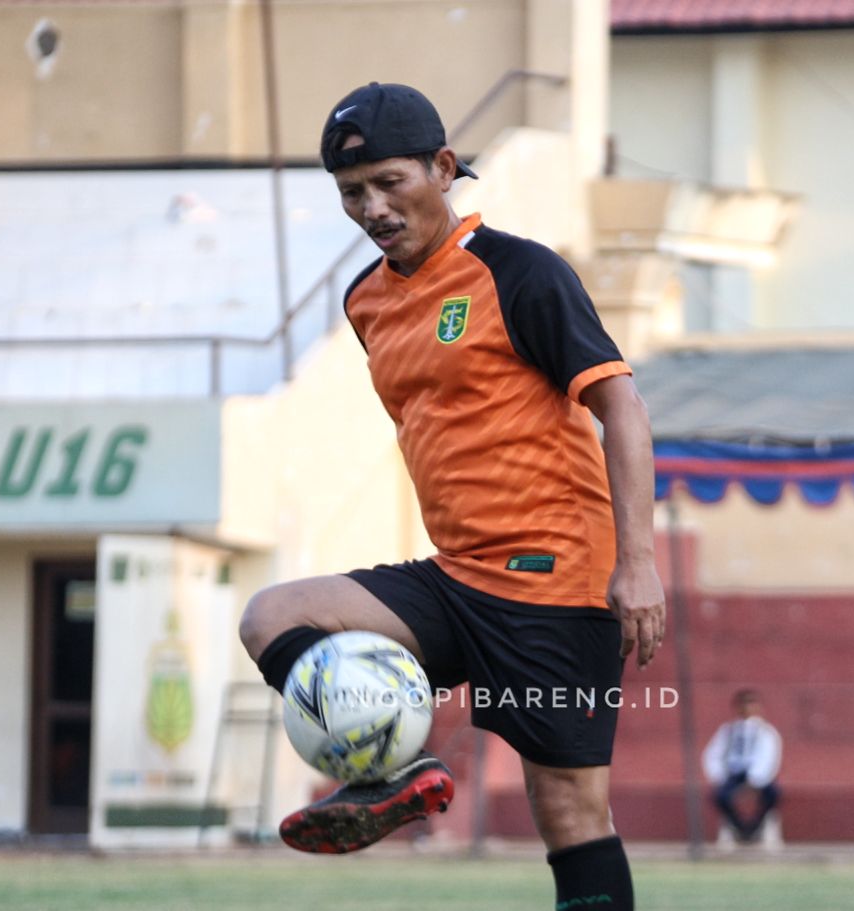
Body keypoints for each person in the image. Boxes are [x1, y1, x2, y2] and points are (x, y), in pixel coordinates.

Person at [238, 82, 665, 911]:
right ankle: (387, 775)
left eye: (390, 183)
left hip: (555, 579)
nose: (372, 207)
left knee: (568, 808)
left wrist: (639, 562)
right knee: (272, 617)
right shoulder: (365, 302)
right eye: (352, 193)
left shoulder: (521, 272)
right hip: (455, 575)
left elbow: (623, 409)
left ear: (441, 169)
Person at [701, 688, 782, 846]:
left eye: (751, 703)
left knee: (773, 794)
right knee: (721, 796)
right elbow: (713, 754)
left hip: (757, 775)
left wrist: (756, 779)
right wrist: (718, 775)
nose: (748, 707)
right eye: (744, 703)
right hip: (733, 773)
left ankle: (756, 826)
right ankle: (739, 828)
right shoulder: (728, 730)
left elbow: (769, 756)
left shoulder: (766, 731)